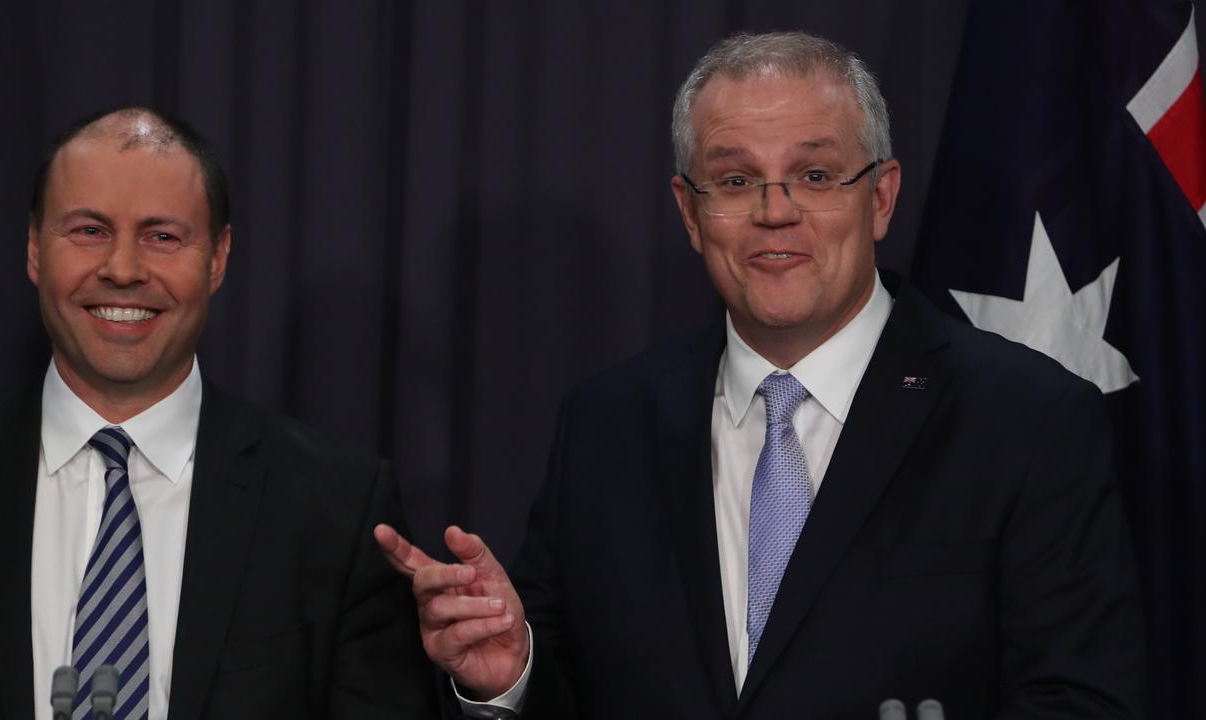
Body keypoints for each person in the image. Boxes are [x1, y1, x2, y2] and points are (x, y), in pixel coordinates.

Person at [375, 31, 1146, 718]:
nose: (775, 212)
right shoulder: (608, 423)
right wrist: (512, 677)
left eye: (815, 175)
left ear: (880, 197)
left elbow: (1082, 698)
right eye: (737, 181)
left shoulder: (1026, 419)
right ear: (689, 212)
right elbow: (575, 687)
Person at [0, 106, 436, 719]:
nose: (122, 270)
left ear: (217, 258)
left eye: (161, 236)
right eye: (88, 230)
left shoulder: (337, 509)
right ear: (35, 248)